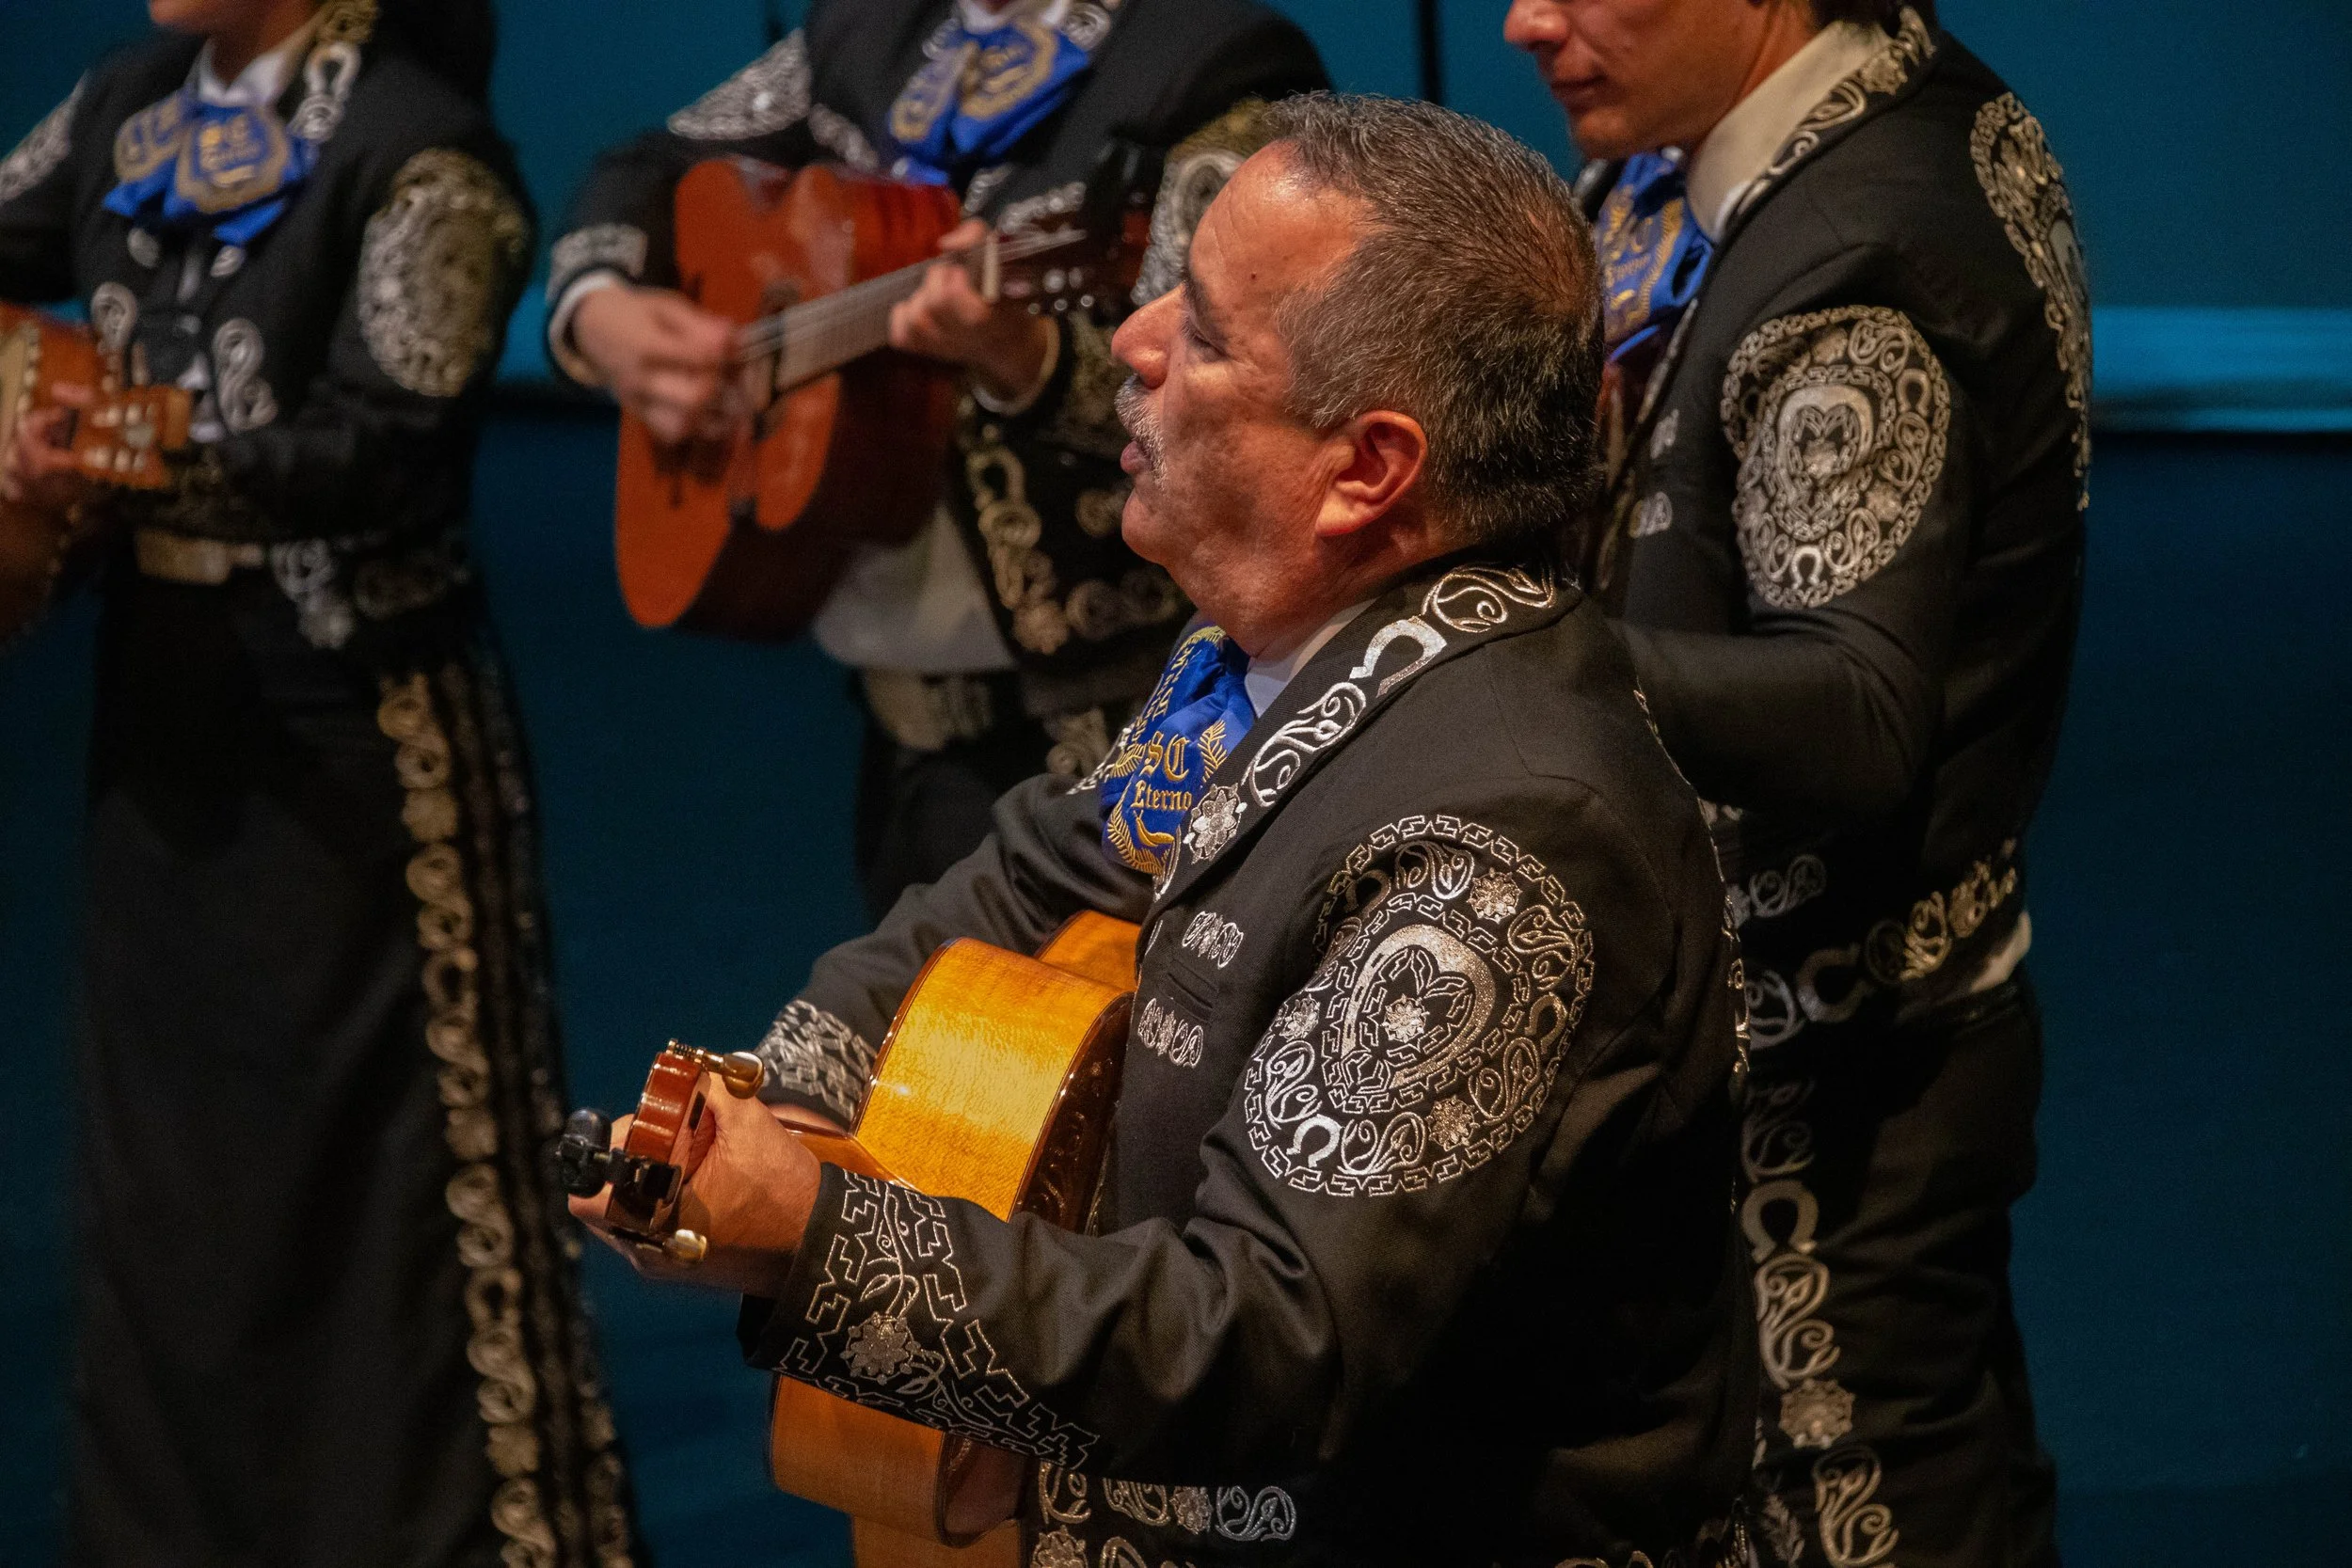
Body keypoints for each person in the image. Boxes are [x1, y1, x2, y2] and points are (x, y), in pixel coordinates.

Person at [575, 95, 1760, 1568]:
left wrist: (816, 1228)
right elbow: (1023, 876)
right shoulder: (1279, 655)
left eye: (1200, 334)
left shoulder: (1496, 846)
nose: (1128, 345)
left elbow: (1265, 1342)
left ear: (1367, 469)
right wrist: (780, 1104)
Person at [0, 2, 639, 1562]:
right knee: (180, 1192)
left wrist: (130, 459)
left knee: (407, 1189)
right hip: (165, 731)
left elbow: (388, 451)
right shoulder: (122, 102)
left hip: (365, 762)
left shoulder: (421, 148)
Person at [1503, 1, 2085, 1563]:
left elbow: (1853, 706)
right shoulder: (1741, 140)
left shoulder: (1865, 243)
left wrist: (1489, 660)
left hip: (1839, 1072)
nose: (1521, 21)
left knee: (1865, 1508)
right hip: (1798, 1027)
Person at [548, 0, 1327, 923]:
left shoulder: (1207, 67)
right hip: (893, 733)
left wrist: (1030, 359)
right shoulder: (879, 27)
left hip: (1110, 728)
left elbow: (1237, 418)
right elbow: (647, 165)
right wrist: (598, 311)